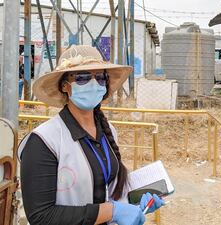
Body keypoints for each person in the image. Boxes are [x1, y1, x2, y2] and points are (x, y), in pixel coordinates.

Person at [18, 45, 164, 225]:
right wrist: (111, 211)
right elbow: (41, 217)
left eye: (101, 78)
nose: (93, 84)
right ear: (65, 86)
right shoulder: (44, 141)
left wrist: (135, 199)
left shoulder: (108, 130)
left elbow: (105, 188)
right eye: (83, 78)